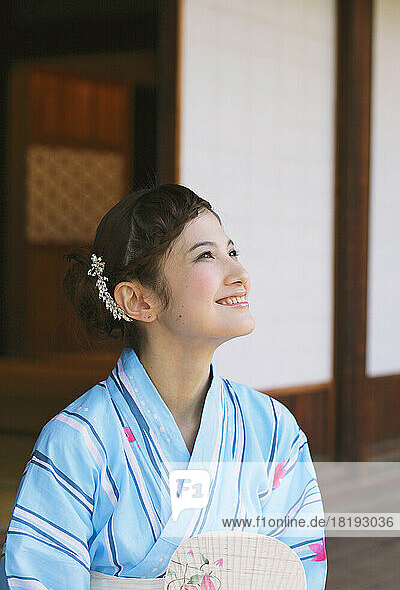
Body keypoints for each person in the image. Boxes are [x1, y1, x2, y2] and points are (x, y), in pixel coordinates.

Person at [0, 184, 327, 589]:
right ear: (138, 300)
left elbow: (299, 567)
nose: (240, 274)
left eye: (232, 251)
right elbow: (38, 577)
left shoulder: (272, 427)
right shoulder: (79, 440)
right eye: (206, 255)